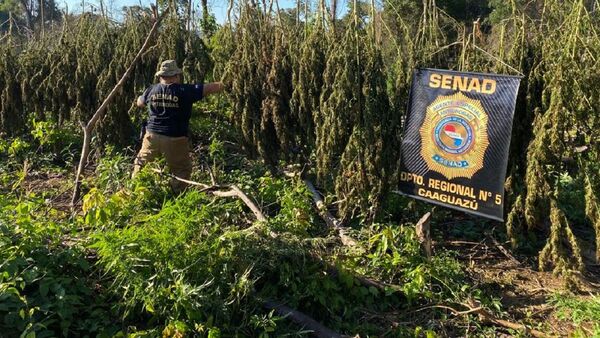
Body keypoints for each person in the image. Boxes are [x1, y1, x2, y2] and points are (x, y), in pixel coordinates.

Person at [133, 59, 224, 193]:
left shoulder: (151, 89)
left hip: (151, 136)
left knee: (141, 164)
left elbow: (139, 103)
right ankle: (177, 196)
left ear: (160, 76)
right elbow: (210, 88)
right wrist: (227, 82)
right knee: (181, 170)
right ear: (176, 76)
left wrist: (147, 97)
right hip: (175, 138)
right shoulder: (185, 90)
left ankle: (134, 193)